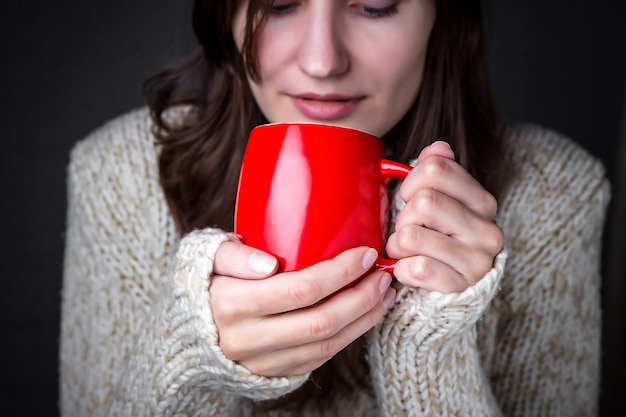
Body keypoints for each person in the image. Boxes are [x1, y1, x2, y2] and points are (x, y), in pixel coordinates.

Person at [59, 0, 611, 416]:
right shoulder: (120, 173)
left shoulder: (553, 193)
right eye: (279, 5)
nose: (322, 61)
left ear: (443, 16)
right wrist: (186, 356)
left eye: (374, 6)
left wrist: (428, 343)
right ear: (226, 14)